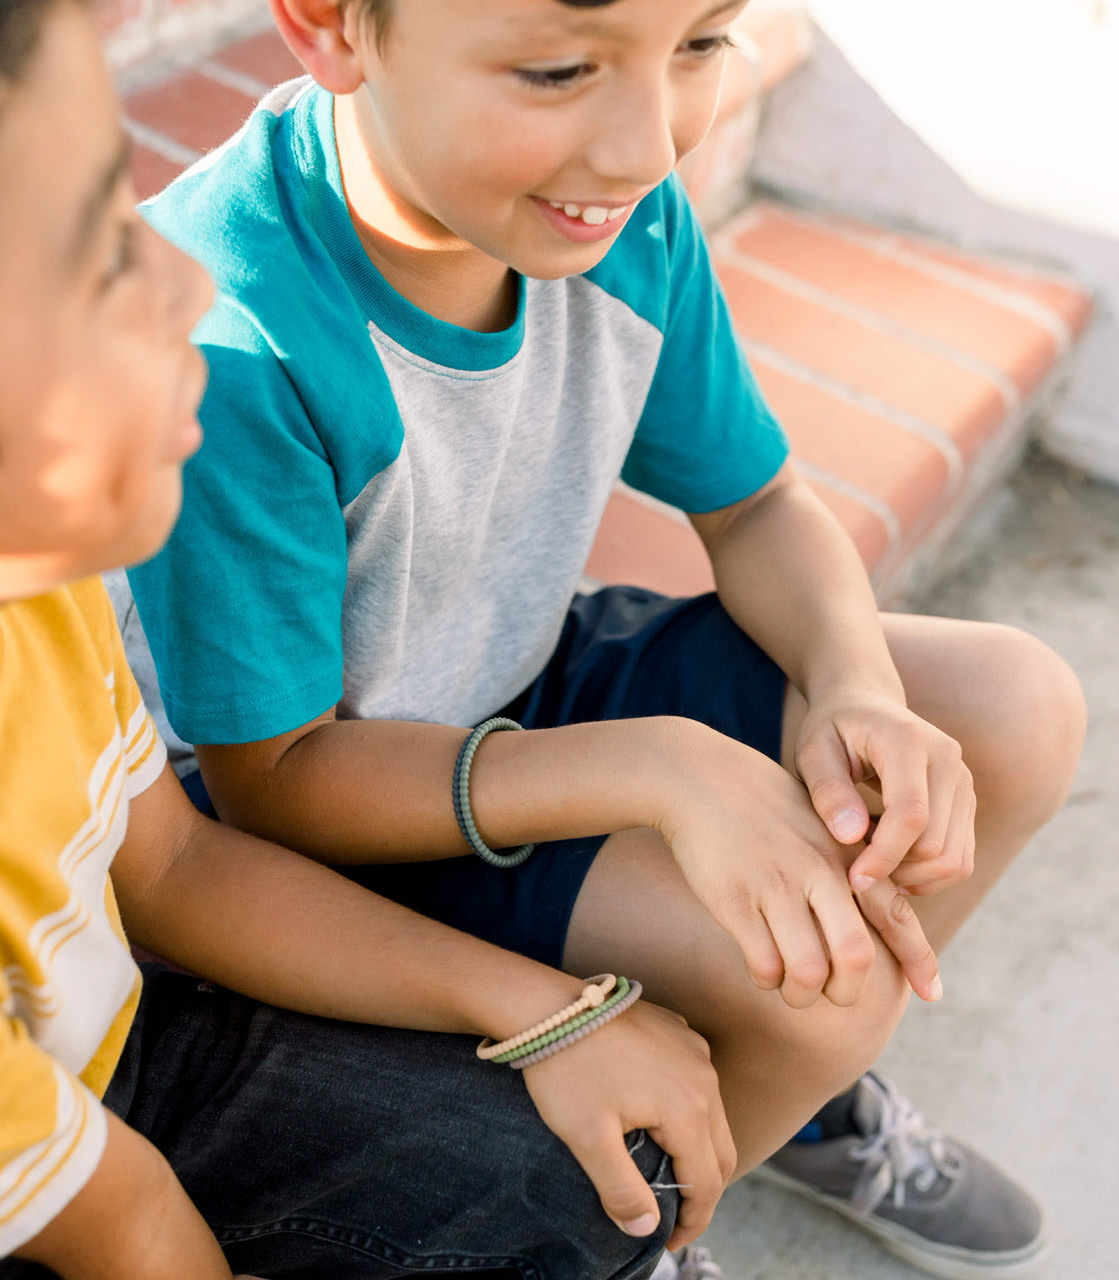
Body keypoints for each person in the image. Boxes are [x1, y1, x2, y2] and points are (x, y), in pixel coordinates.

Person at [118, 0, 1088, 1277]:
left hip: (527, 674)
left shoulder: (594, 207)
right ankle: (655, 1220)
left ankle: (781, 1095)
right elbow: (275, 788)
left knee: (1009, 704)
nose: (646, 142)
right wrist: (662, 767)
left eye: (699, 44)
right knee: (818, 978)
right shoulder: (230, 336)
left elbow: (753, 505)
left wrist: (854, 689)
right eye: (560, 68)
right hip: (340, 811)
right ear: (331, 28)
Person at [0, 3, 802, 1278]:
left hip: (114, 1037)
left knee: (593, 1160)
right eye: (93, 272)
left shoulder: (13, 576)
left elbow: (174, 868)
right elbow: (128, 1227)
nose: (183, 283)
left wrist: (544, 1012)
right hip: (3, 1197)